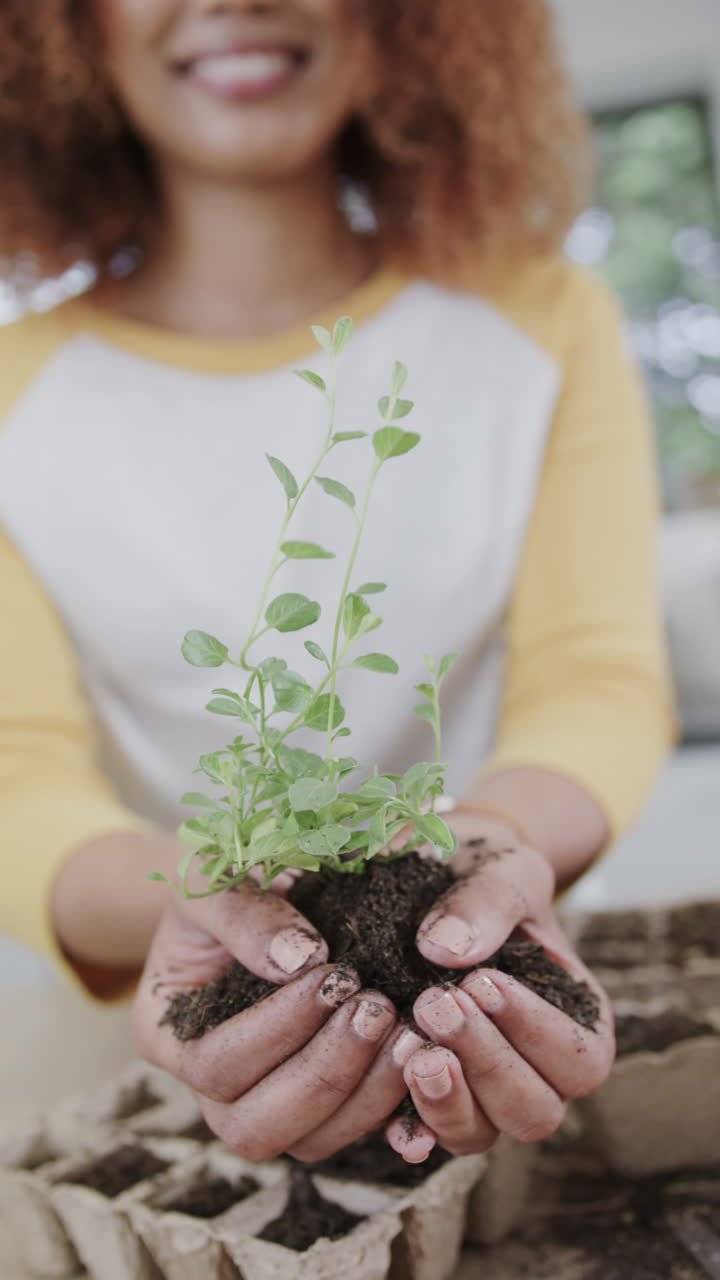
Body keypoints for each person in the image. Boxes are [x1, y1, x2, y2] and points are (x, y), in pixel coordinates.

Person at [0, 0, 673, 1166]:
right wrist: (198, 900)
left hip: (493, 996)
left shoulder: (539, 319)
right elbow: (15, 764)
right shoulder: (17, 396)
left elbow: (597, 675)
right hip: (177, 1050)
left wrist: (490, 843)